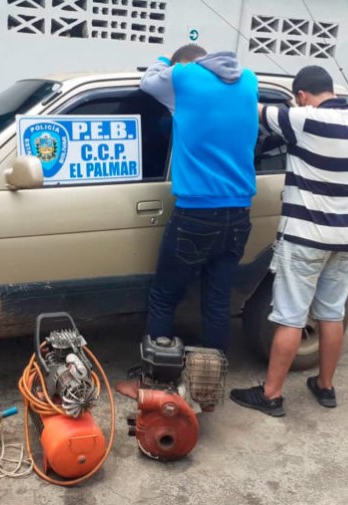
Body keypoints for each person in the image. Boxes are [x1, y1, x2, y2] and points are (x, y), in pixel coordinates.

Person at [230, 66, 348, 417]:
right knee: (331, 313)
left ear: (303, 96)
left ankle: (272, 395)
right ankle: (325, 387)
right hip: (344, 236)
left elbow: (255, 108)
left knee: (291, 317)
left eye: (297, 98)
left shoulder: (304, 119)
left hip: (306, 236)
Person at [140, 44, 258, 352]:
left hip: (196, 213)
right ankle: (210, 383)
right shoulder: (249, 80)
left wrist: (167, 59)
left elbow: (148, 81)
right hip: (239, 212)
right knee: (218, 302)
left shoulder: (183, 76)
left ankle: (159, 380)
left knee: (164, 297)